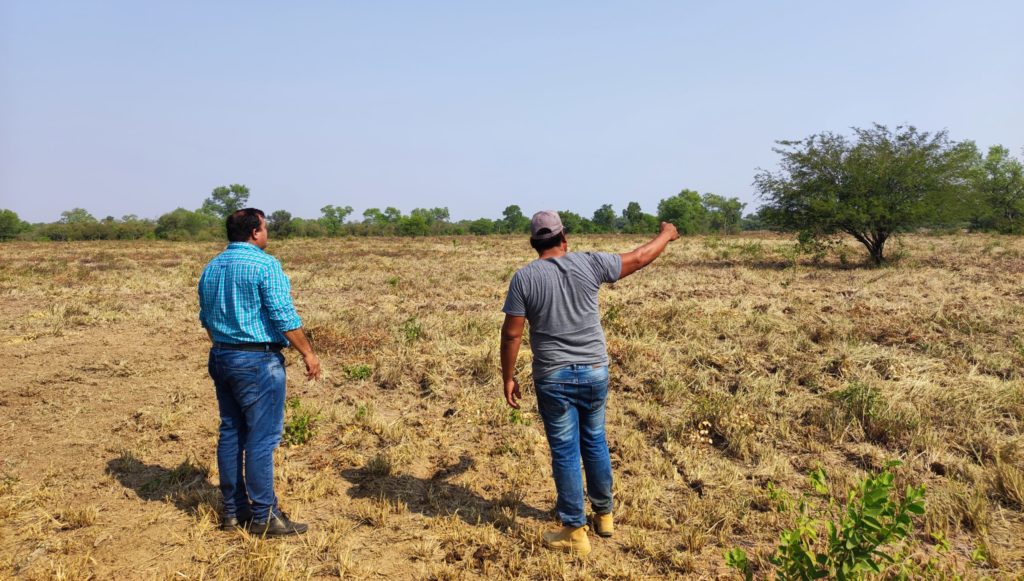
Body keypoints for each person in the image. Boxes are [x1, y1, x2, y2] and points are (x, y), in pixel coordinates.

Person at [500, 210, 679, 556]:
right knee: (595, 440)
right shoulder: (590, 264)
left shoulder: (524, 279)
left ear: (534, 244)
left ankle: (574, 529)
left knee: (565, 451)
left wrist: (508, 377)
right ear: (564, 239)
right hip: (595, 370)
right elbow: (640, 257)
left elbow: (511, 335)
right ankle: (604, 514)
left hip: (553, 376)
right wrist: (666, 235)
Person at [198, 208, 322, 536]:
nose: (267, 233)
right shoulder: (265, 265)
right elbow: (283, 316)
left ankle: (233, 513)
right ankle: (265, 515)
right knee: (261, 438)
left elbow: (206, 319)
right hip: (257, 361)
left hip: (222, 356)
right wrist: (308, 352)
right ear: (255, 233)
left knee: (230, 432)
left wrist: (227, 345)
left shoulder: (211, 267)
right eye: (265, 228)